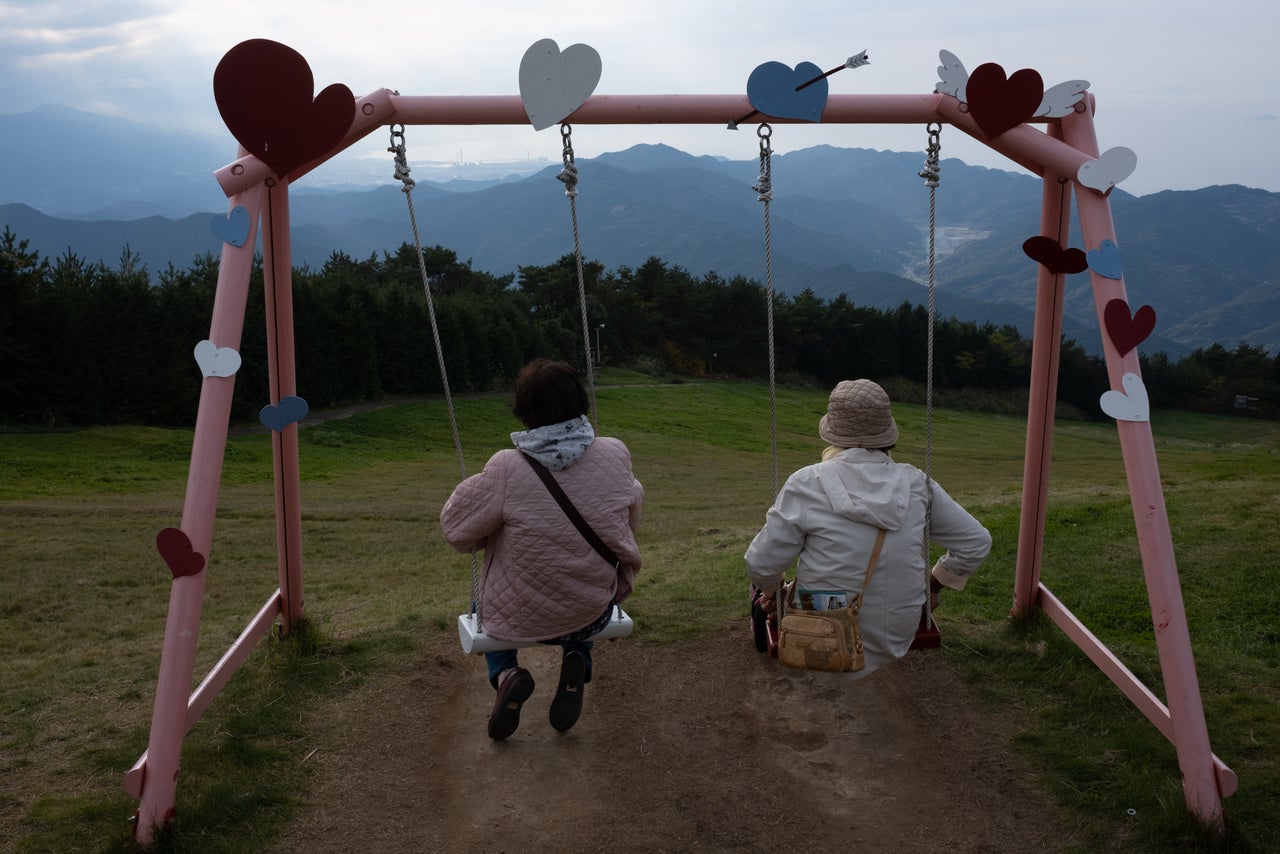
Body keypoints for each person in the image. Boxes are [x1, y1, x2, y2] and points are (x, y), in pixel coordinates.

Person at [440, 358, 644, 739]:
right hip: (594, 610)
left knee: (480, 607)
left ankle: (507, 674)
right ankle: (577, 660)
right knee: (580, 587)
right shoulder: (616, 453)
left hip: (518, 620)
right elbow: (630, 514)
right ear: (581, 404)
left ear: (524, 413)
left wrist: (495, 528)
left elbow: (456, 531)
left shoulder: (506, 467)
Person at [745, 378, 991, 678]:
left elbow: (760, 562)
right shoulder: (917, 484)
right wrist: (934, 584)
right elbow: (976, 541)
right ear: (886, 432)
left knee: (764, 578)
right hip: (900, 623)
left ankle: (774, 604)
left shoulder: (808, 482)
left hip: (826, 620)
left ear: (832, 433)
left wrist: (776, 593)